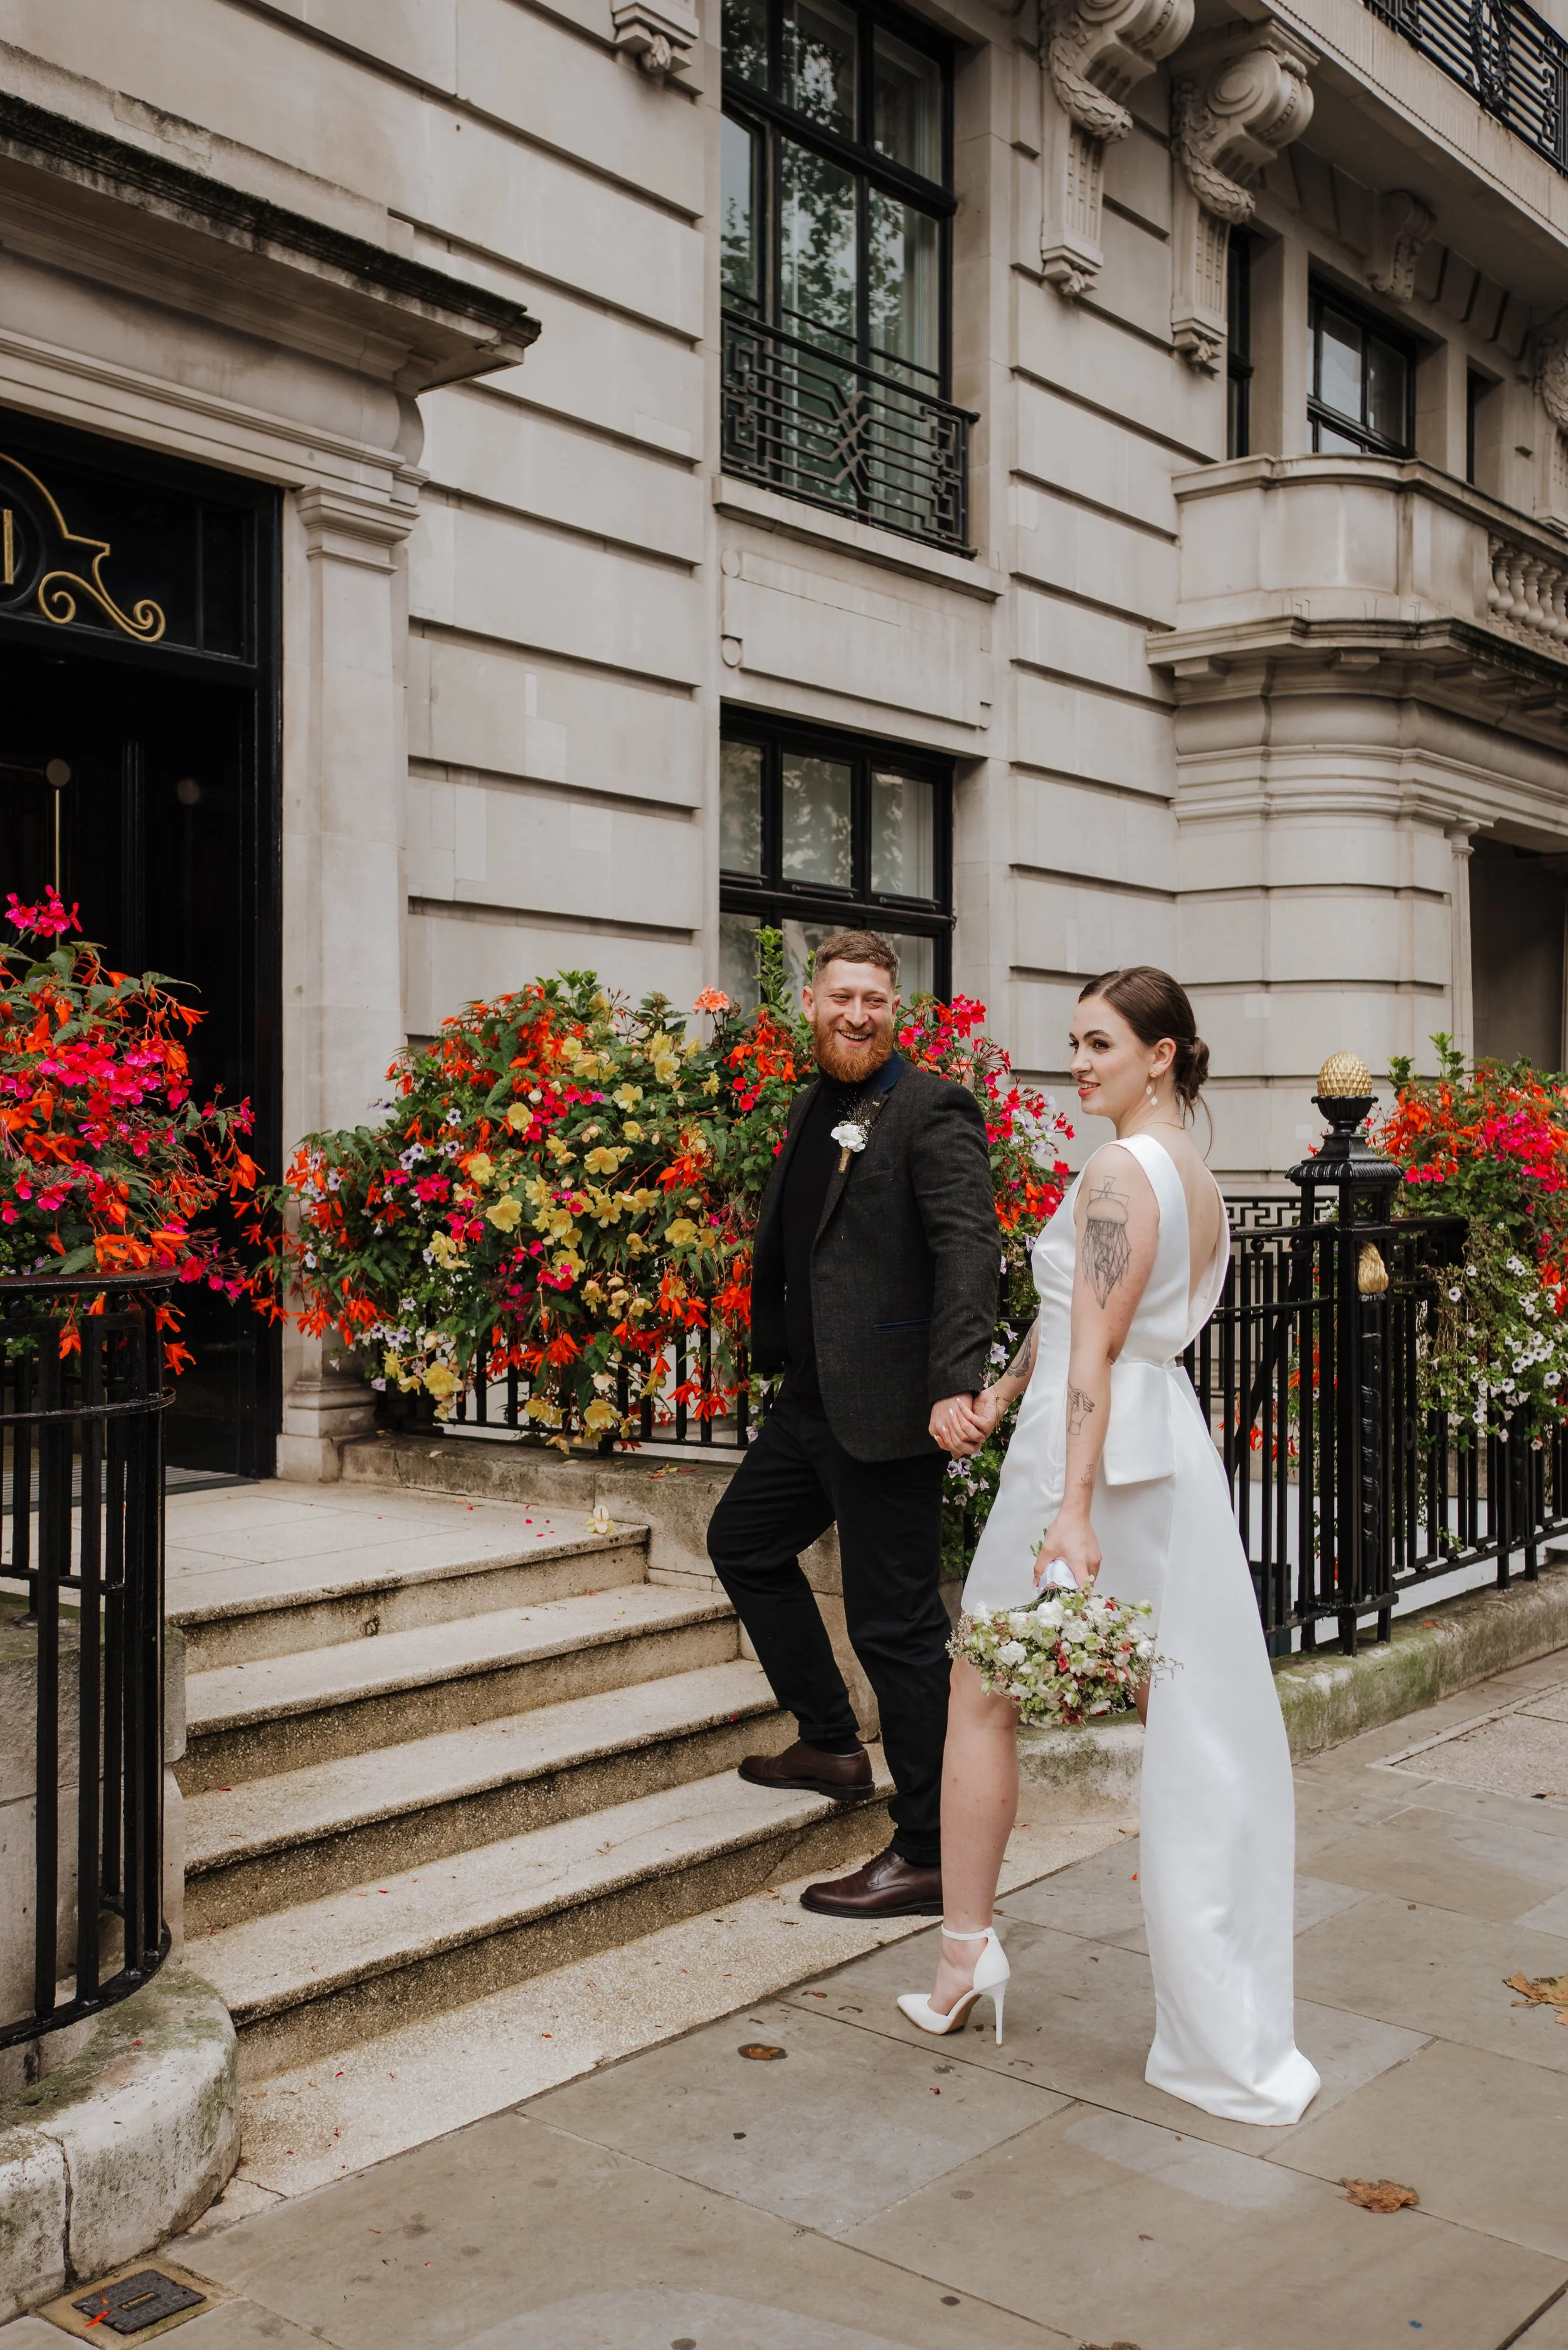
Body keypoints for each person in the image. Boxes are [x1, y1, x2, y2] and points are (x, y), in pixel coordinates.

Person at [898, 966, 1320, 2129]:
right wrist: (1000, 1388)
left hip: (1087, 1464)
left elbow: (1095, 1350)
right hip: (1150, 1443)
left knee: (980, 1688)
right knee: (1185, 1713)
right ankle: (996, 1959)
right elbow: (1079, 1323)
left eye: (1098, 1043)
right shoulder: (1189, 1173)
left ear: (1163, 1053)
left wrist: (1067, 1505)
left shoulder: (1120, 1171)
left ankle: (964, 1955)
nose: (1077, 1063)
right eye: (1074, 1043)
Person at [706, 929, 999, 1918]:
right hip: (814, 1403)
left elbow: (969, 1248)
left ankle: (926, 1849)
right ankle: (832, 1740)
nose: (858, 1013)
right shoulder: (813, 1102)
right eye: (843, 996)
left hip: (893, 1412)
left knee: (900, 1629)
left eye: (876, 997)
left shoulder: (931, 1106)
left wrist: (956, 1381)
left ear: (895, 1006)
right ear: (814, 1001)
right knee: (742, 1543)